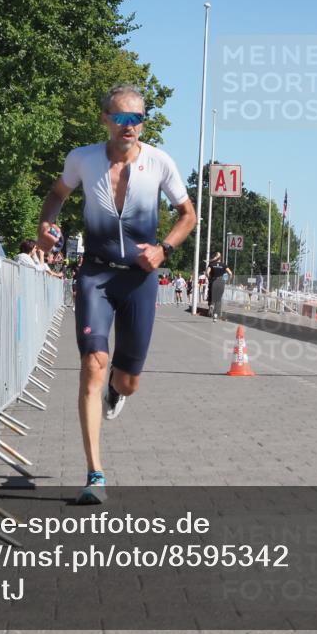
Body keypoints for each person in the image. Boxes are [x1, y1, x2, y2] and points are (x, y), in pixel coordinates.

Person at [36, 84, 196, 504]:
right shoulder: (83, 159)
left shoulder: (160, 162)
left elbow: (188, 214)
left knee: (128, 381)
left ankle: (116, 390)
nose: (129, 126)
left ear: (143, 122)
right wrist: (45, 227)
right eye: (121, 117)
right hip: (96, 275)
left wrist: (164, 249)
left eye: (136, 118)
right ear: (105, 119)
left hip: (140, 280)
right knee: (92, 363)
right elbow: (56, 195)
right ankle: (95, 474)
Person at [205, 252, 232, 322]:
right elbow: (230, 273)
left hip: (214, 281)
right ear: (221, 258)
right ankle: (215, 315)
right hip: (221, 282)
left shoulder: (211, 264)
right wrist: (227, 281)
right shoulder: (224, 265)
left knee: (212, 296)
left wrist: (209, 278)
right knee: (218, 299)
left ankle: (211, 305)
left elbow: (207, 273)